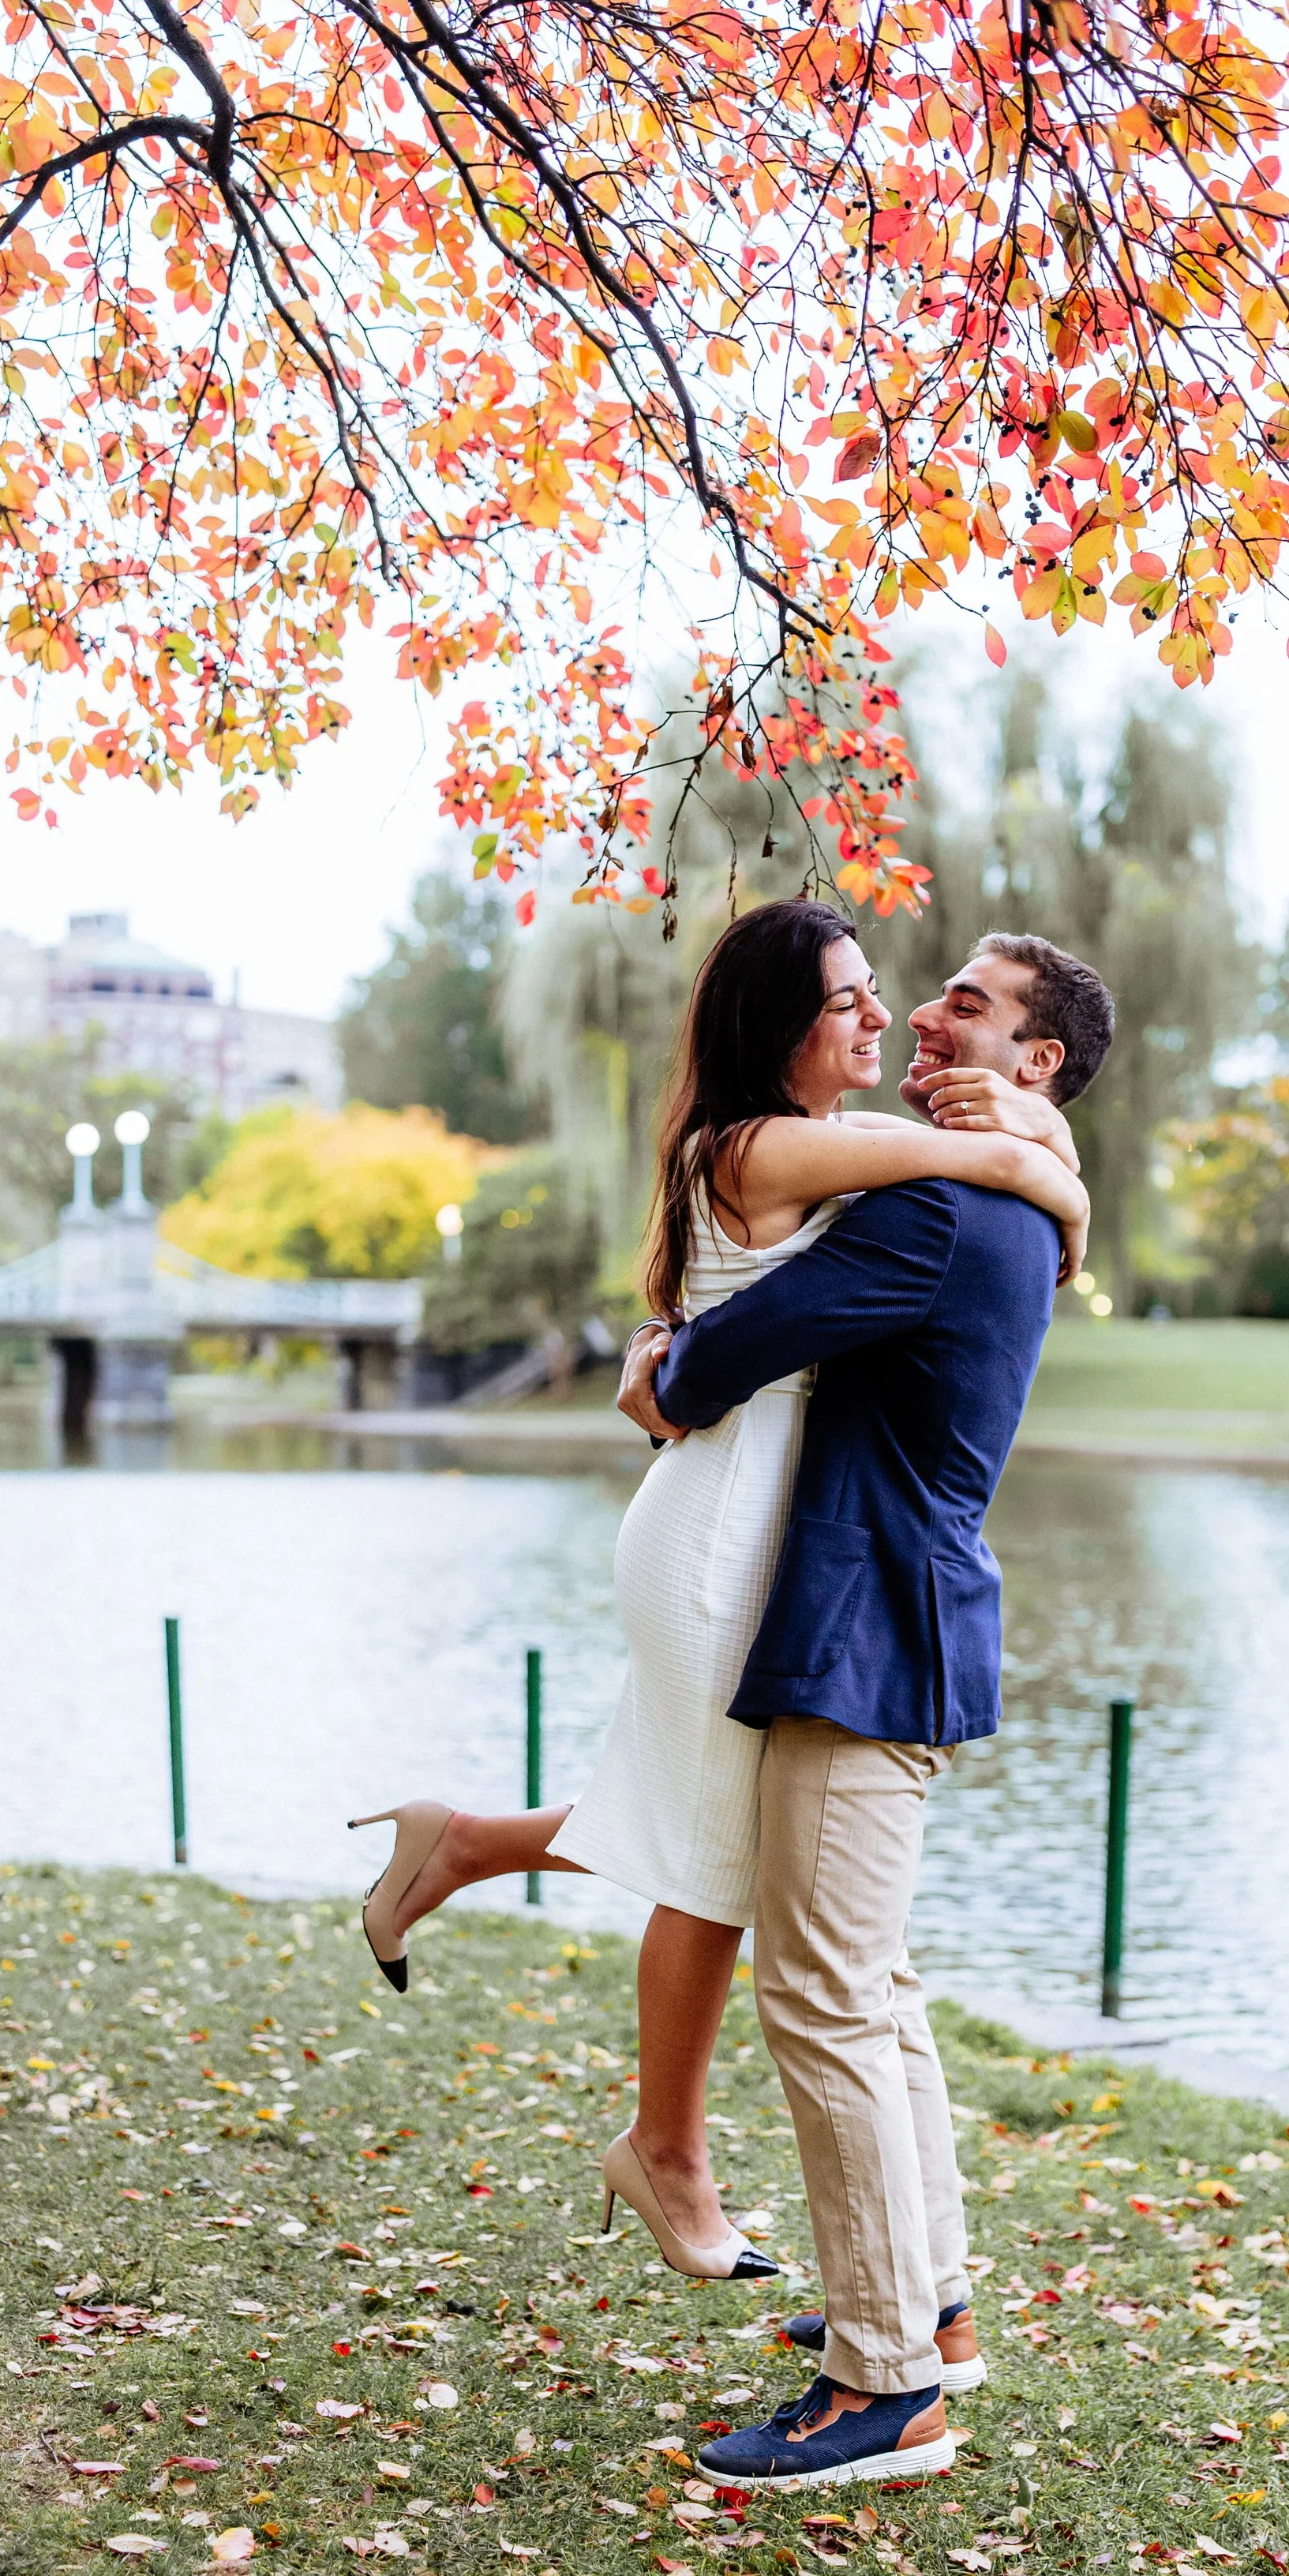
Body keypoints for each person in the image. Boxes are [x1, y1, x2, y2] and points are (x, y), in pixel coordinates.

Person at [346, 898, 1097, 2280]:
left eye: (893, 994)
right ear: (779, 1028)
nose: (885, 1017)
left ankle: (459, 1849)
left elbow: (966, 1161)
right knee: (719, 1849)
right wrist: (1064, 1184)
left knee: (722, 1831)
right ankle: (665, 2145)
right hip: (721, 1518)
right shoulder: (765, 1143)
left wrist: (1046, 1155)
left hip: (756, 1506)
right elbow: (975, 1162)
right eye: (851, 999)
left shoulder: (815, 1153)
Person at [615, 935, 1114, 2485]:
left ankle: (883, 2383)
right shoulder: (984, 1194)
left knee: (823, 2000)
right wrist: (1060, 1175)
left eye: (967, 1003)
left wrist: (660, 1366)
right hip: (897, 1620)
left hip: (862, 1632)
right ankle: (932, 2310)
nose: (924, 1013)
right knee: (870, 1991)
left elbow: (718, 1365)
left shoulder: (931, 1215)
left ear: (1032, 1064)